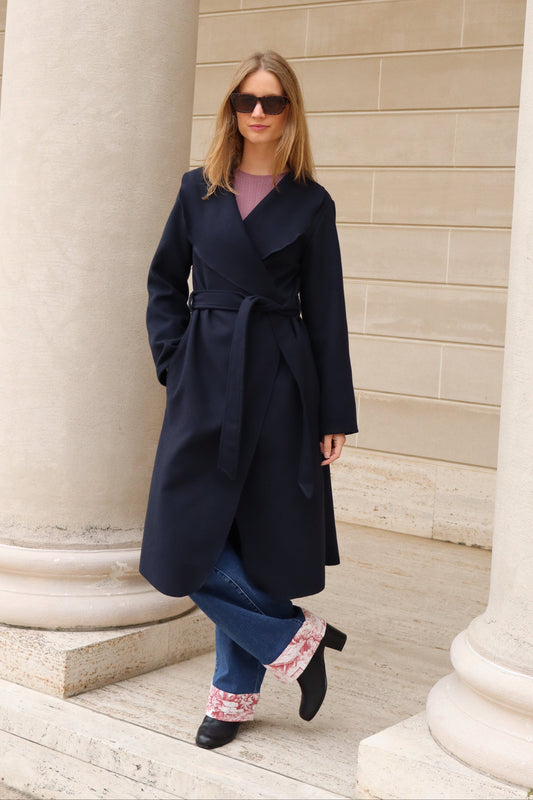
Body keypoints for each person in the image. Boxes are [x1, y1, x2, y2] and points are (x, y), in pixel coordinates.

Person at [140, 50, 357, 749]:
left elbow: (325, 312)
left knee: (254, 542)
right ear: (230, 108)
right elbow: (164, 284)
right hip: (205, 377)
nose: (258, 114)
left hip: (281, 384)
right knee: (181, 539)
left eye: (272, 102)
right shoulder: (195, 192)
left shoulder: (309, 202)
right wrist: (176, 361)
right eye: (246, 100)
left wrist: (332, 414)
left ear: (290, 113)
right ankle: (295, 640)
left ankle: (231, 700)